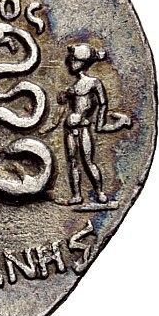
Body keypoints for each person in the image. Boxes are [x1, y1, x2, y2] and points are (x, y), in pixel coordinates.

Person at [59, 43, 131, 205]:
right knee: (72, 161)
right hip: (70, 129)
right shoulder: (73, 87)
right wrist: (64, 96)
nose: (70, 63)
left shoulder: (93, 83)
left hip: (84, 127)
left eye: (73, 60)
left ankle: (99, 192)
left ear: (82, 62)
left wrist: (100, 121)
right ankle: (77, 195)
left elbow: (103, 103)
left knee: (88, 161)